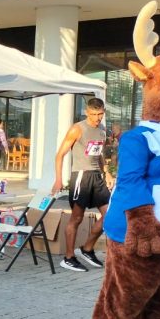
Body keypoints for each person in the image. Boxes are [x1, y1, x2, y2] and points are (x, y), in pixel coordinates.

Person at [51, 97, 112, 272]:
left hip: (96, 177)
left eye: (100, 114)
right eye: (93, 114)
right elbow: (59, 155)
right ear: (87, 112)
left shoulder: (102, 130)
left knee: (109, 214)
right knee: (76, 218)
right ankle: (69, 257)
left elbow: (98, 154)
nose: (97, 118)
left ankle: (87, 248)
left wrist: (106, 172)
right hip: (81, 177)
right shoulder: (77, 129)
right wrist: (58, 178)